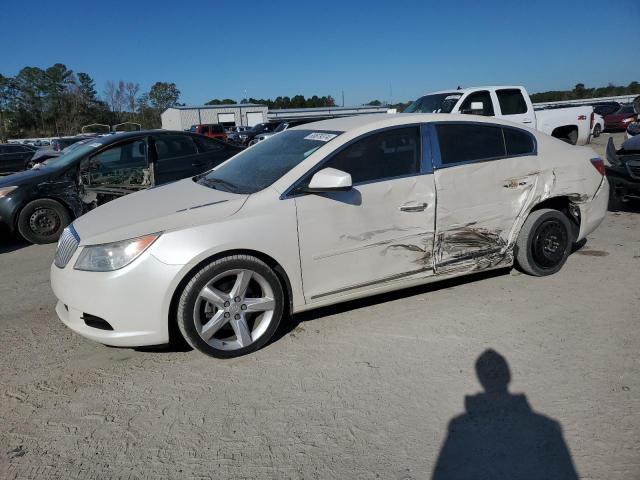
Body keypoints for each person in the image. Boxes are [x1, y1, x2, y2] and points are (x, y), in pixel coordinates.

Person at [432, 349, 578, 480]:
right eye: (490, 373)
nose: (493, 377)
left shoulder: (462, 427)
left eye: (495, 372)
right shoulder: (543, 426)